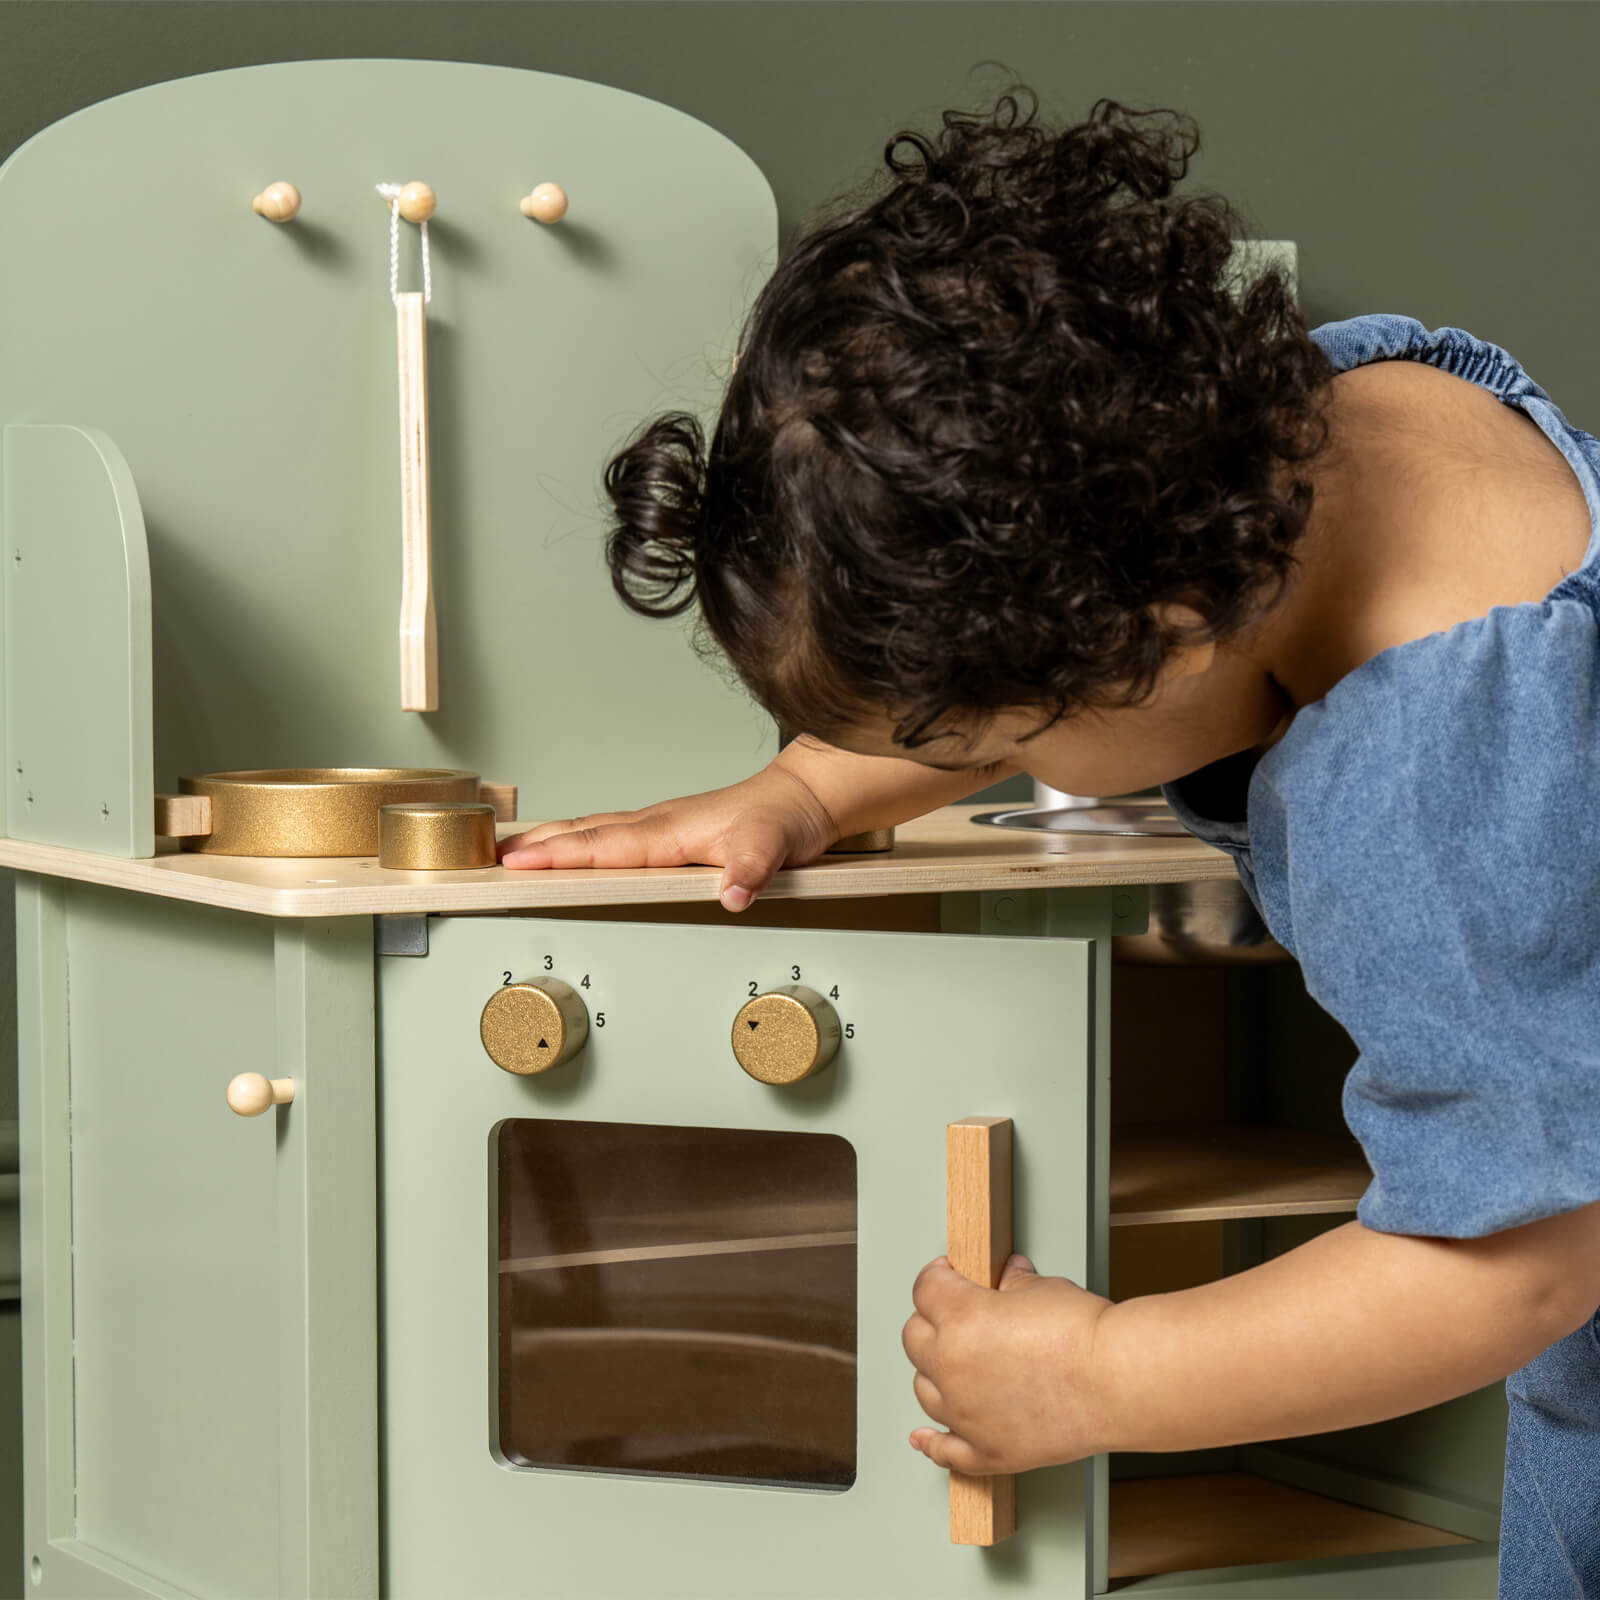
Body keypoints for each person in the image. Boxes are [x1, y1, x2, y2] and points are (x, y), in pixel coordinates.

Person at [498, 89, 1600, 1596]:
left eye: (991, 750)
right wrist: (815, 790)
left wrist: (1101, 1372)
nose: (970, 775)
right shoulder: (1338, 416)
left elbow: (1520, 1260)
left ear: (1157, 627)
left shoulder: (1429, 787)